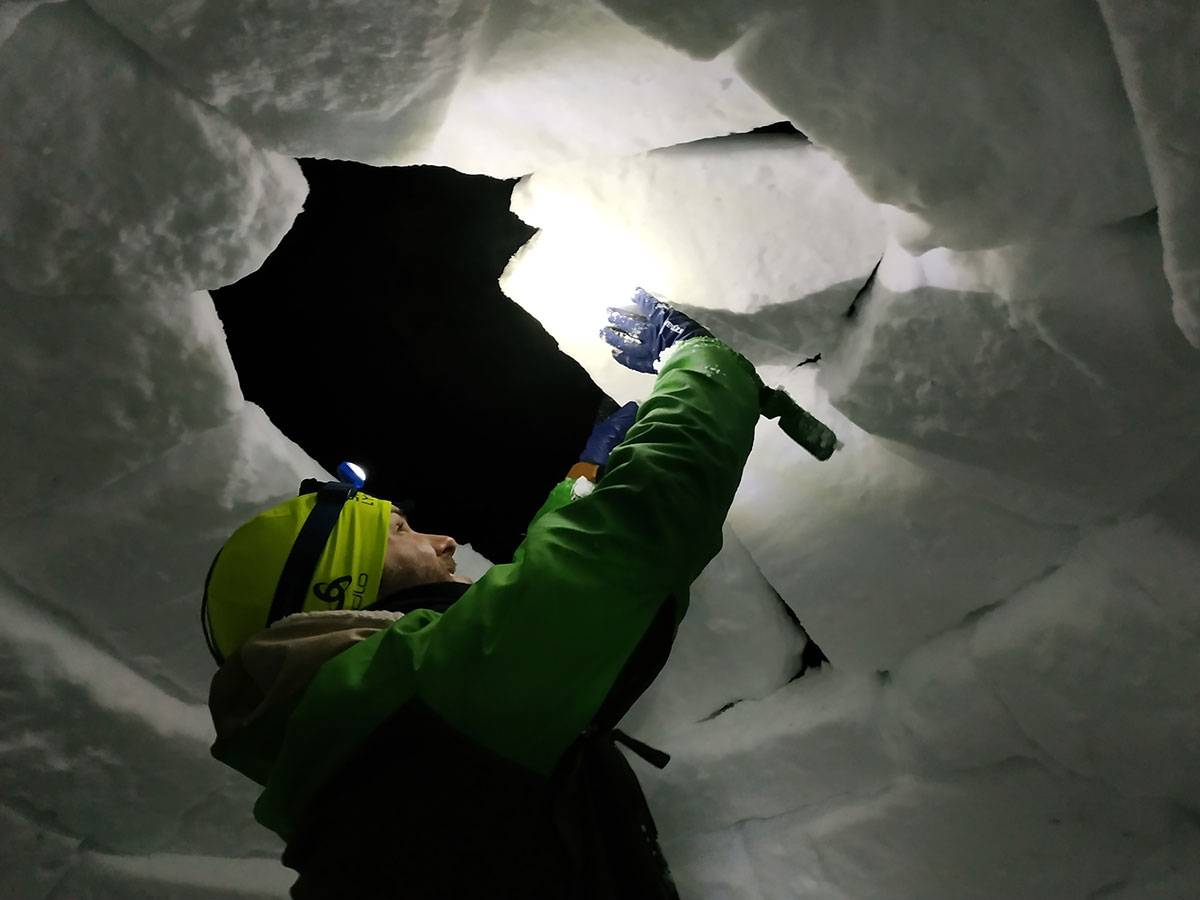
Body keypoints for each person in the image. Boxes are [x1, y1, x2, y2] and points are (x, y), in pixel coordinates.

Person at [202, 288, 765, 899]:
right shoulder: (420, 702)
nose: (444, 540)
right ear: (340, 586)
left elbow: (518, 608)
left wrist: (583, 478)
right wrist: (704, 363)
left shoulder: (365, 751)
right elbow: (622, 543)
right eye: (400, 531)